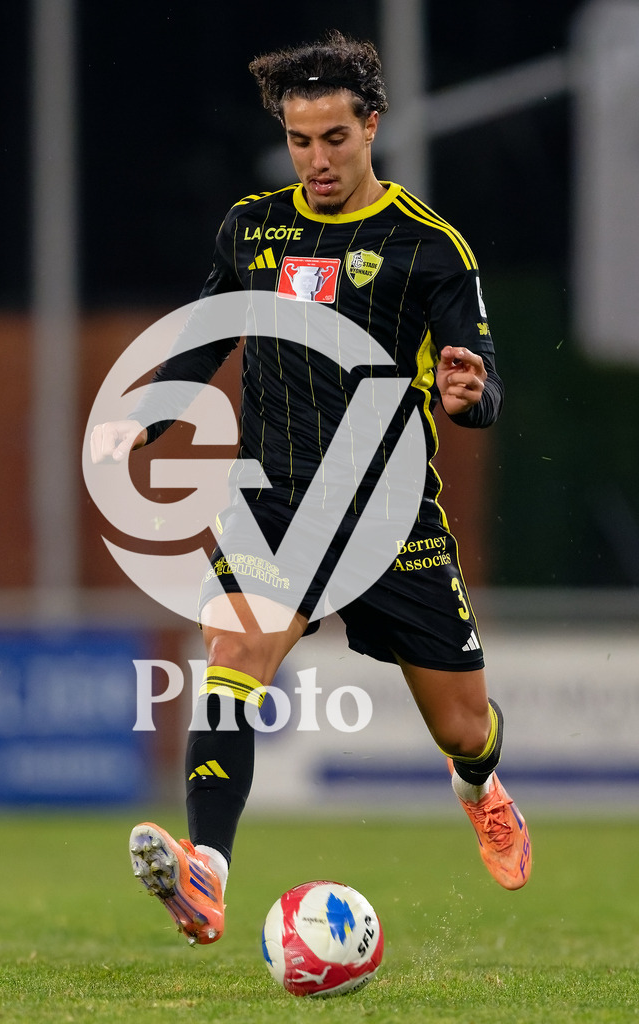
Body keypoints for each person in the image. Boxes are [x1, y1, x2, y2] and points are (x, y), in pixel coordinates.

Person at [90, 30, 531, 946]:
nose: (317, 159)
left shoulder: (430, 248)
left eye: (334, 137)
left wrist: (471, 396)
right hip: (275, 502)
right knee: (231, 659)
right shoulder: (252, 229)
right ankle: (207, 871)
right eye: (299, 140)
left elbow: (480, 379)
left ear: (372, 126)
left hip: (389, 515)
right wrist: (150, 413)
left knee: (462, 727)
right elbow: (211, 330)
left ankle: (481, 788)